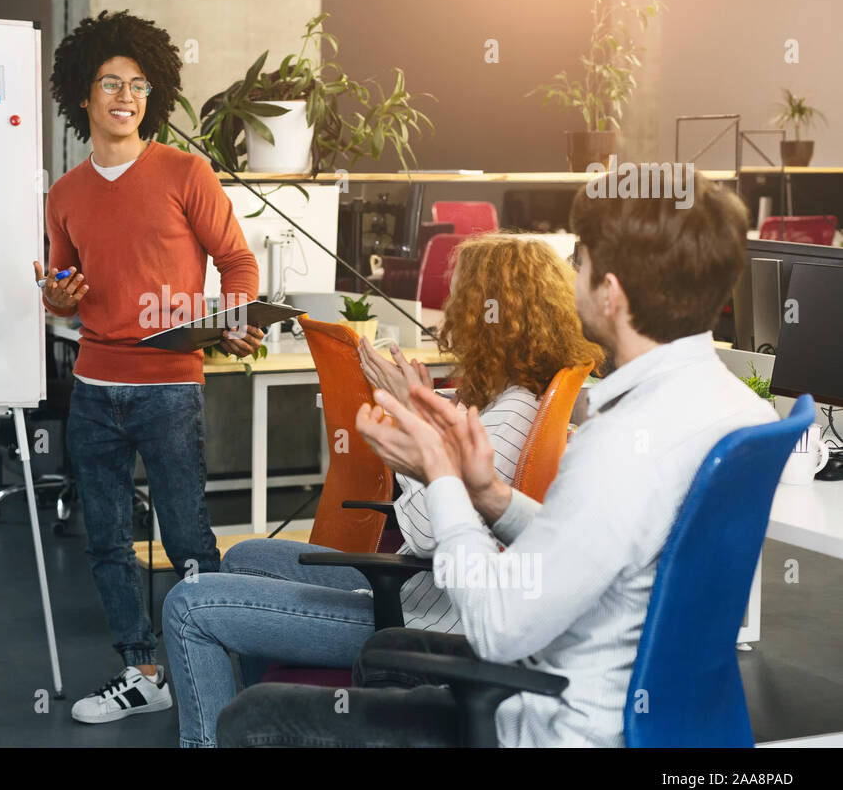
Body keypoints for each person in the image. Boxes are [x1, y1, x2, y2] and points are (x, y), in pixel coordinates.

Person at [217, 172, 775, 748]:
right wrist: (493, 499)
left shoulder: (617, 444)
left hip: (550, 724)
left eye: (579, 262)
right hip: (665, 721)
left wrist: (442, 478)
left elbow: (497, 630)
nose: (571, 277)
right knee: (383, 652)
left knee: (252, 717)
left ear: (611, 292)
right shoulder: (738, 411)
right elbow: (619, 551)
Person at [162, 234, 602, 746]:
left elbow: (422, 533)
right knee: (246, 557)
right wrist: (420, 410)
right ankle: (271, 727)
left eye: (459, 301)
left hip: (423, 621)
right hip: (419, 595)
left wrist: (412, 426)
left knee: (188, 605)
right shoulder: (512, 399)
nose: (449, 317)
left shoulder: (508, 417)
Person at [38, 9, 263, 724]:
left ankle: (215, 667)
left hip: (169, 387)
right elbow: (61, 291)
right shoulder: (65, 194)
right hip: (94, 387)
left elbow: (237, 262)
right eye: (110, 83)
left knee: (187, 535)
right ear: (84, 95)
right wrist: (54, 295)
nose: (124, 96)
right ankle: (141, 671)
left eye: (137, 84)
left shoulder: (184, 172)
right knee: (106, 541)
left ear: (151, 96)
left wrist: (231, 321)